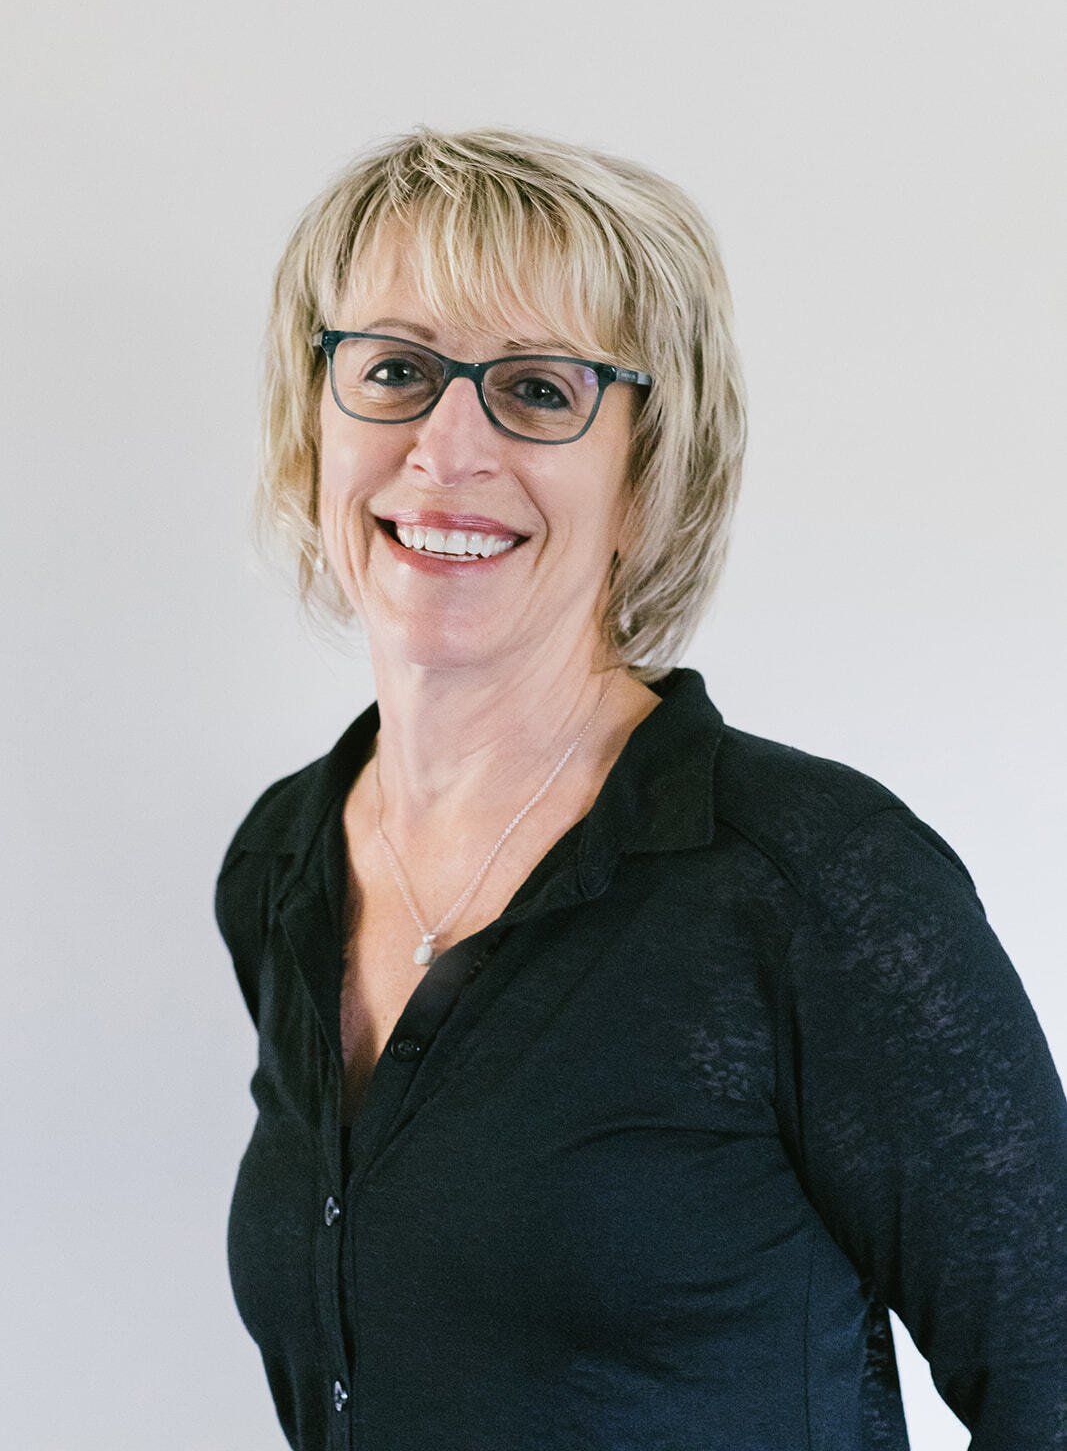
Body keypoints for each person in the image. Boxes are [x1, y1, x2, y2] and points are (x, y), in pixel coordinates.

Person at [214, 124, 1067, 1451]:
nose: (446, 449)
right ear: (311, 421)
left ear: (646, 475)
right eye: (392, 370)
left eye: (540, 392)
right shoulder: (283, 864)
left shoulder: (813, 884)